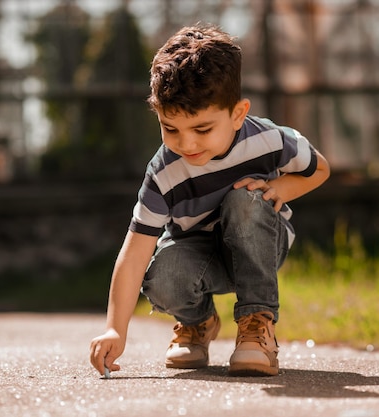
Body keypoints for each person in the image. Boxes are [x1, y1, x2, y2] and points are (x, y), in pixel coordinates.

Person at [89, 23, 330, 377]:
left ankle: (256, 324)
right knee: (161, 275)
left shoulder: (269, 140)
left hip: (259, 247)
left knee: (243, 200)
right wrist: (115, 328)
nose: (187, 145)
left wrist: (281, 189)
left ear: (237, 113)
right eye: (171, 129)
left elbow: (319, 169)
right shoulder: (163, 173)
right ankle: (198, 322)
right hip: (198, 255)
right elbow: (136, 249)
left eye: (202, 129)